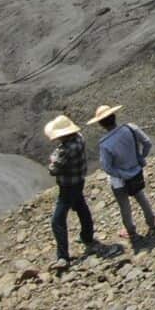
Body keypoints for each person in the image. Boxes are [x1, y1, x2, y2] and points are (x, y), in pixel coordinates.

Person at [88, 104, 155, 243]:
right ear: (114, 117)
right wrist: (140, 158)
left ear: (101, 124)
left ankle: (131, 232)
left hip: (119, 181)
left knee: (124, 206)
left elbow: (107, 167)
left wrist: (122, 174)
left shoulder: (105, 144)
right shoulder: (130, 128)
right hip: (136, 171)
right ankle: (152, 223)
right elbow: (147, 143)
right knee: (141, 196)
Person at [46, 115, 103, 268]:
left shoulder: (65, 150)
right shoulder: (79, 138)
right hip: (78, 181)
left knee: (57, 221)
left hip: (67, 186)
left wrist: (53, 158)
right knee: (81, 208)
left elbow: (53, 169)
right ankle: (87, 237)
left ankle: (63, 257)